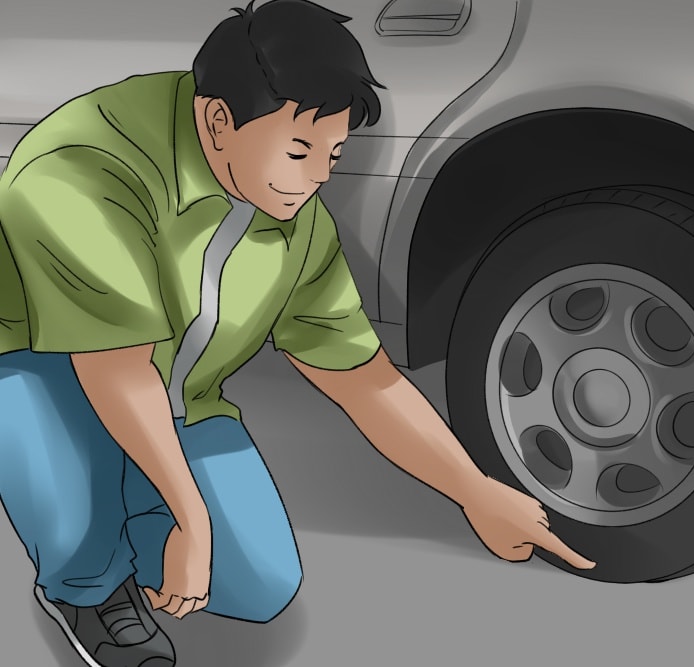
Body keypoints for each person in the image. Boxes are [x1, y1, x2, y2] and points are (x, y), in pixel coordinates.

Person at [0, 1, 596, 665]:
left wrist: (475, 491)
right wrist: (192, 521)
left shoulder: (298, 219)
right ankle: (88, 583)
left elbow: (364, 379)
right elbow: (114, 367)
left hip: (177, 396)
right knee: (78, 526)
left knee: (259, 581)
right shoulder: (82, 171)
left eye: (335, 154)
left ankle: (131, 505)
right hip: (41, 369)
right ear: (218, 121)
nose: (316, 177)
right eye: (298, 149)